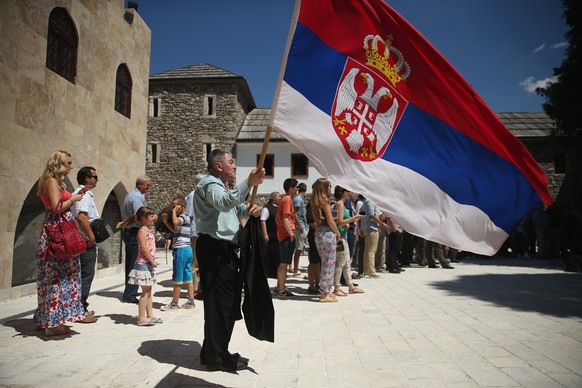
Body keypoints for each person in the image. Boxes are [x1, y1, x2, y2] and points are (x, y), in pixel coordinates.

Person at [193, 148, 265, 372]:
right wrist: (248, 183)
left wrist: (249, 209)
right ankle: (217, 358)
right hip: (215, 250)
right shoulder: (209, 185)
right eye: (231, 162)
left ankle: (215, 351)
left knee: (225, 305)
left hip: (224, 249)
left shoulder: (220, 186)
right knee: (220, 306)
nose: (234, 166)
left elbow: (231, 210)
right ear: (218, 166)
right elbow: (224, 203)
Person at [33, 150, 87, 336]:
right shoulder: (51, 181)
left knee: (64, 276)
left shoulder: (57, 182)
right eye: (68, 163)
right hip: (56, 232)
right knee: (54, 277)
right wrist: (73, 199)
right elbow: (55, 208)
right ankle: (51, 322)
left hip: (61, 229)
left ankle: (58, 320)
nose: (71, 166)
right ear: (59, 163)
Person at [118, 206, 161, 326]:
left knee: (149, 290)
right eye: (151, 216)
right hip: (143, 264)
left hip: (147, 264)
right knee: (145, 292)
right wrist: (152, 261)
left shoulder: (147, 230)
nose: (154, 218)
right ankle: (141, 317)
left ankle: (150, 315)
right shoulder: (142, 231)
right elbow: (143, 247)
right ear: (143, 218)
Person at [70, 166, 101, 323]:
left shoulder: (79, 193)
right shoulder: (85, 195)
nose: (96, 179)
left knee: (81, 275)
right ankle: (79, 310)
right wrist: (91, 238)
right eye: (94, 177)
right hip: (85, 241)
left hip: (80, 240)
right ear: (86, 179)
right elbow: (82, 217)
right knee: (86, 275)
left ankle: (80, 307)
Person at [121, 176, 154, 304]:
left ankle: (131, 291)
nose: (149, 188)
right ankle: (129, 293)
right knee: (133, 263)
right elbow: (140, 215)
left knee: (132, 262)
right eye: (147, 185)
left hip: (131, 231)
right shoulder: (136, 197)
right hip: (134, 232)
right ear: (140, 185)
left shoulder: (133, 196)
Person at [161, 197, 196, 310]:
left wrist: (174, 213)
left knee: (178, 277)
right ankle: (190, 301)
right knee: (188, 276)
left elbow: (176, 222)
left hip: (181, 250)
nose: (172, 209)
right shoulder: (187, 218)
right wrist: (166, 222)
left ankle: (174, 303)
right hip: (187, 249)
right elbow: (175, 230)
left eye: (174, 206)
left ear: (182, 206)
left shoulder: (182, 217)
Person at [310, 178, 342, 303]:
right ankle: (324, 292)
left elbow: (318, 221)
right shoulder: (325, 202)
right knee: (329, 263)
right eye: (329, 186)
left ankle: (326, 290)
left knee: (325, 262)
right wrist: (337, 232)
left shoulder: (314, 202)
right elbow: (330, 220)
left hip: (319, 233)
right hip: (327, 234)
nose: (330, 189)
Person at [332, 185, 364, 296]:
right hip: (340, 237)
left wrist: (347, 223)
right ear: (344, 192)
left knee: (346, 263)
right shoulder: (340, 204)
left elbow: (339, 221)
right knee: (340, 263)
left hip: (343, 235)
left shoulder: (341, 204)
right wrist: (355, 218)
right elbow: (340, 221)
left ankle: (350, 286)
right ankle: (336, 287)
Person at [274, 178, 299, 297]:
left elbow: (277, 218)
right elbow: (284, 218)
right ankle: (281, 290)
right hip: (286, 235)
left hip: (283, 233)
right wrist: (291, 233)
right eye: (296, 187)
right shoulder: (287, 199)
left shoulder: (284, 199)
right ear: (290, 188)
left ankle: (280, 287)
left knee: (283, 262)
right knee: (284, 263)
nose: (297, 189)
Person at [360, 196, 388, 278]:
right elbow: (371, 215)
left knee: (368, 250)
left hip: (367, 228)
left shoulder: (366, 201)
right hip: (371, 228)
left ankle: (367, 270)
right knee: (371, 250)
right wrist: (382, 224)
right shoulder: (370, 201)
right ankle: (371, 272)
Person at [260, 192, 281, 278]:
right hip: (270, 234)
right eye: (279, 196)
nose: (280, 198)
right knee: (270, 254)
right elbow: (263, 220)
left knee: (277, 253)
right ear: (274, 198)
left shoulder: (278, 208)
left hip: (277, 234)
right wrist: (265, 234)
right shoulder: (267, 208)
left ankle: (276, 272)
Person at [291, 182, 308, 277]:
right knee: (299, 248)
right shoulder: (298, 199)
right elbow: (295, 213)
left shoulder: (299, 199)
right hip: (300, 226)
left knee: (302, 248)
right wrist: (300, 226)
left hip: (303, 225)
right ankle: (295, 270)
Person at [305, 200, 321, 294]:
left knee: (318, 262)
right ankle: (311, 285)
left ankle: (318, 283)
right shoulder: (312, 203)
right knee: (313, 261)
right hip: (314, 234)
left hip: (319, 234)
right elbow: (311, 221)